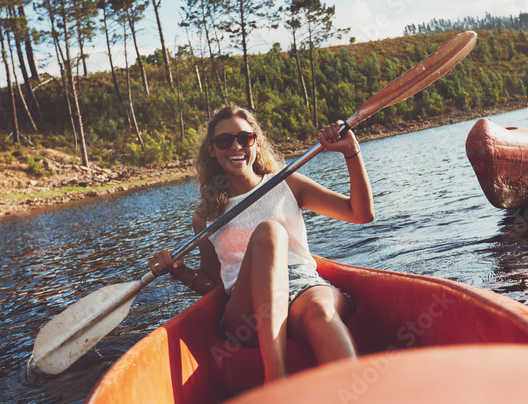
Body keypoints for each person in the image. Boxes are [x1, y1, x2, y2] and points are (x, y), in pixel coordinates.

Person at [148, 105, 374, 384]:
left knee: (320, 312)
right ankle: (276, 378)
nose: (236, 146)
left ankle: (360, 402)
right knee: (269, 233)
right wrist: (180, 272)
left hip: (304, 285)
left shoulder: (287, 184)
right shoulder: (205, 216)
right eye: (224, 141)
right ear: (212, 150)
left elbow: (360, 214)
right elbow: (212, 282)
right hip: (246, 306)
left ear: (256, 142)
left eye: (245, 138)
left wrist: (351, 152)